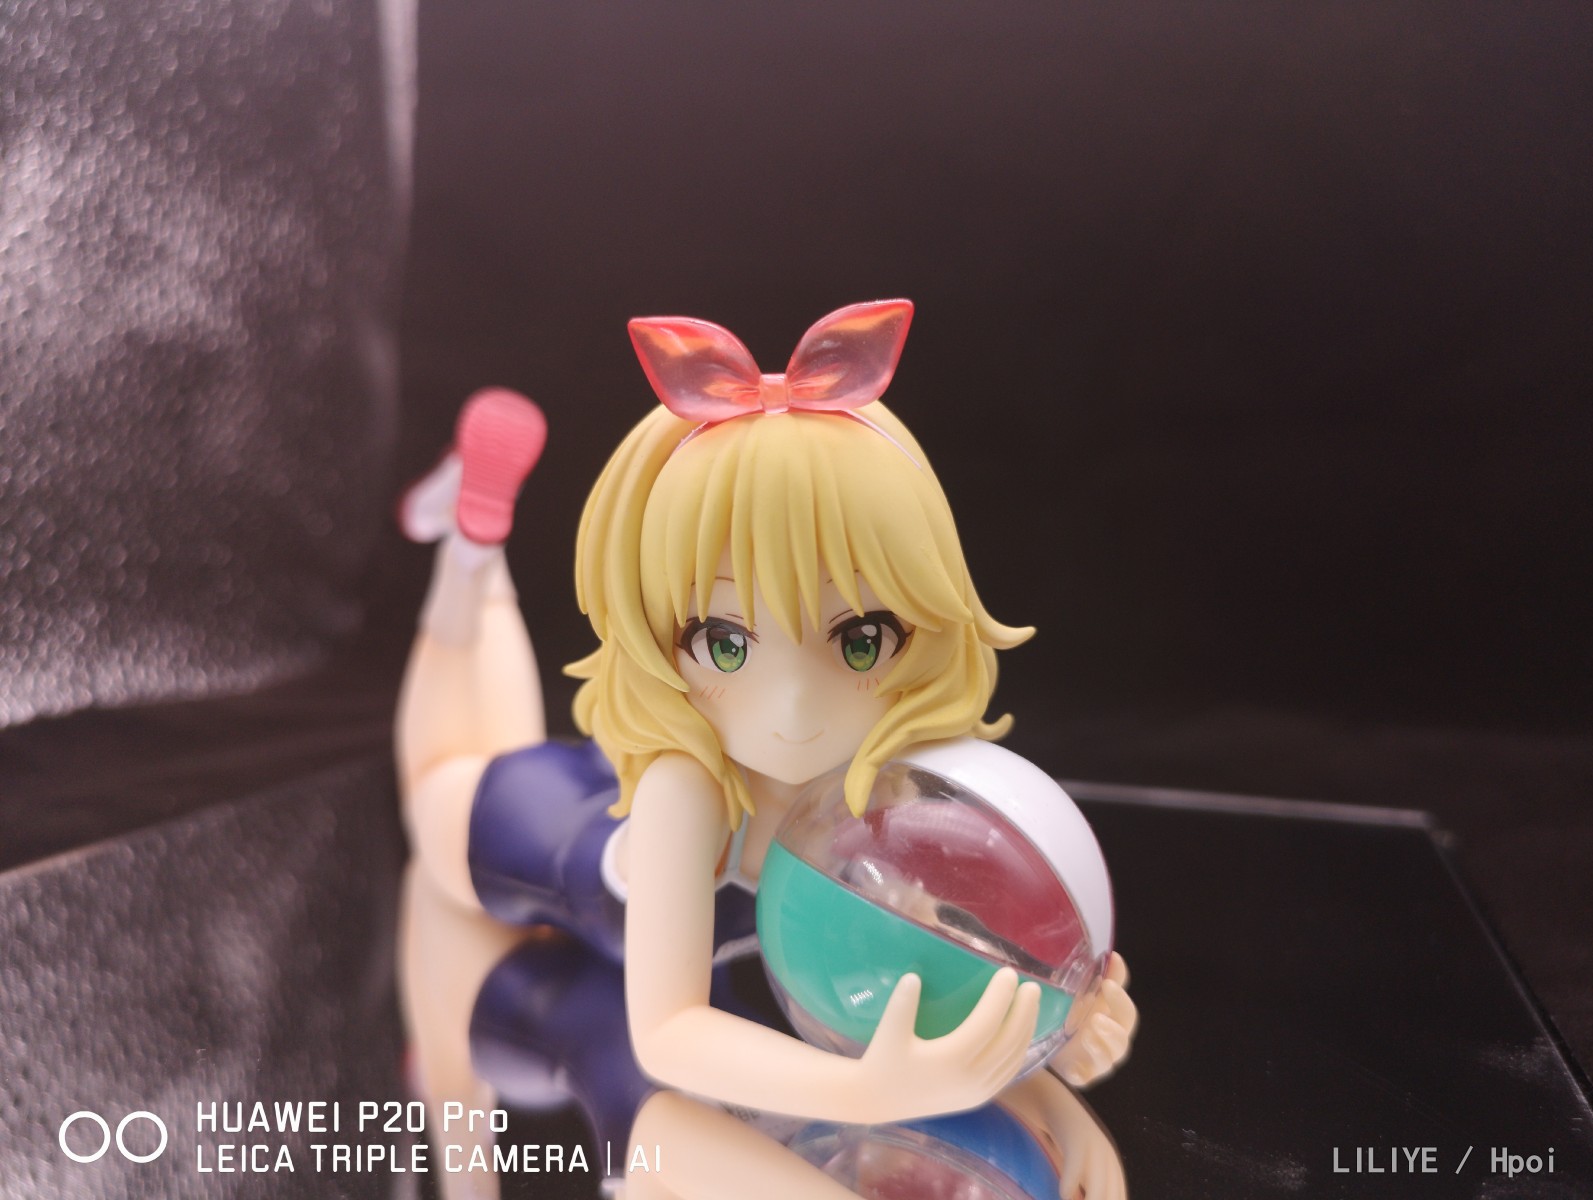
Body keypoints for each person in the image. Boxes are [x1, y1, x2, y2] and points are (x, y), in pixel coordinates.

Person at [395, 304, 1136, 1152]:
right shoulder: (686, 794)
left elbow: (922, 908)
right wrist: (863, 1090)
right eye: (725, 642)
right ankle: (469, 552)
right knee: (443, 776)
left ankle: (474, 536)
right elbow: (667, 1033)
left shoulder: (897, 767)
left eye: (860, 640)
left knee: (488, 738)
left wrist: (1049, 1013)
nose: (793, 710)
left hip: (643, 797)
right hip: (539, 832)